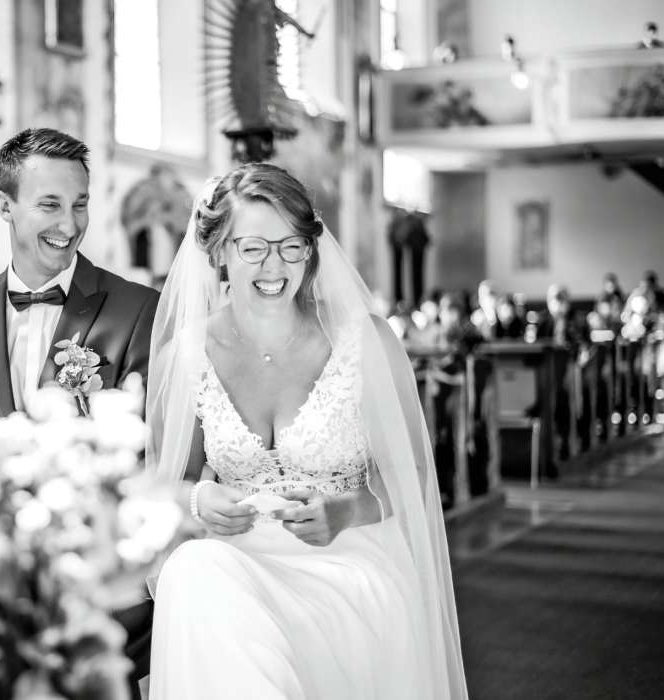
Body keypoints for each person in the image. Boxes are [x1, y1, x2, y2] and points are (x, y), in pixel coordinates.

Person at [145, 163, 466, 699]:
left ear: (310, 251)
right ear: (219, 251)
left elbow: (411, 471)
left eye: (291, 246)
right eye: (253, 248)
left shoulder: (363, 340)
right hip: (237, 566)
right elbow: (163, 486)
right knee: (193, 569)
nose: (274, 265)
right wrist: (199, 499)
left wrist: (346, 509)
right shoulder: (187, 356)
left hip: (346, 557)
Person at [0, 127, 159, 695]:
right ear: (4, 205)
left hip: (103, 601)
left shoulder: (137, 309)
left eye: (80, 204)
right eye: (49, 204)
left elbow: (153, 461)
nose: (69, 225)